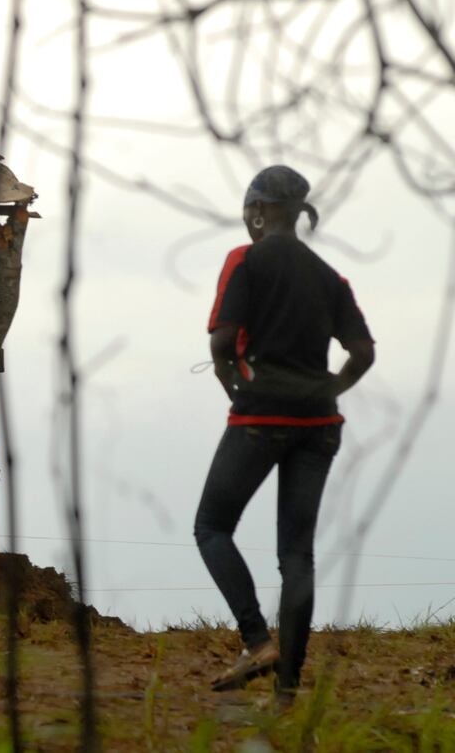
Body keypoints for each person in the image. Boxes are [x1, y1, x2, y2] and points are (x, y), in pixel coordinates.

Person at [195, 165, 375, 703]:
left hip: (259, 418)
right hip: (319, 425)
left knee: (212, 527)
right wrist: (328, 392)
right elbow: (362, 353)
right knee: (297, 554)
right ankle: (288, 690)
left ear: (259, 210)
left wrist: (238, 392)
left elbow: (222, 344)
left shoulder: (244, 261)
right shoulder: (329, 276)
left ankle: (256, 640)